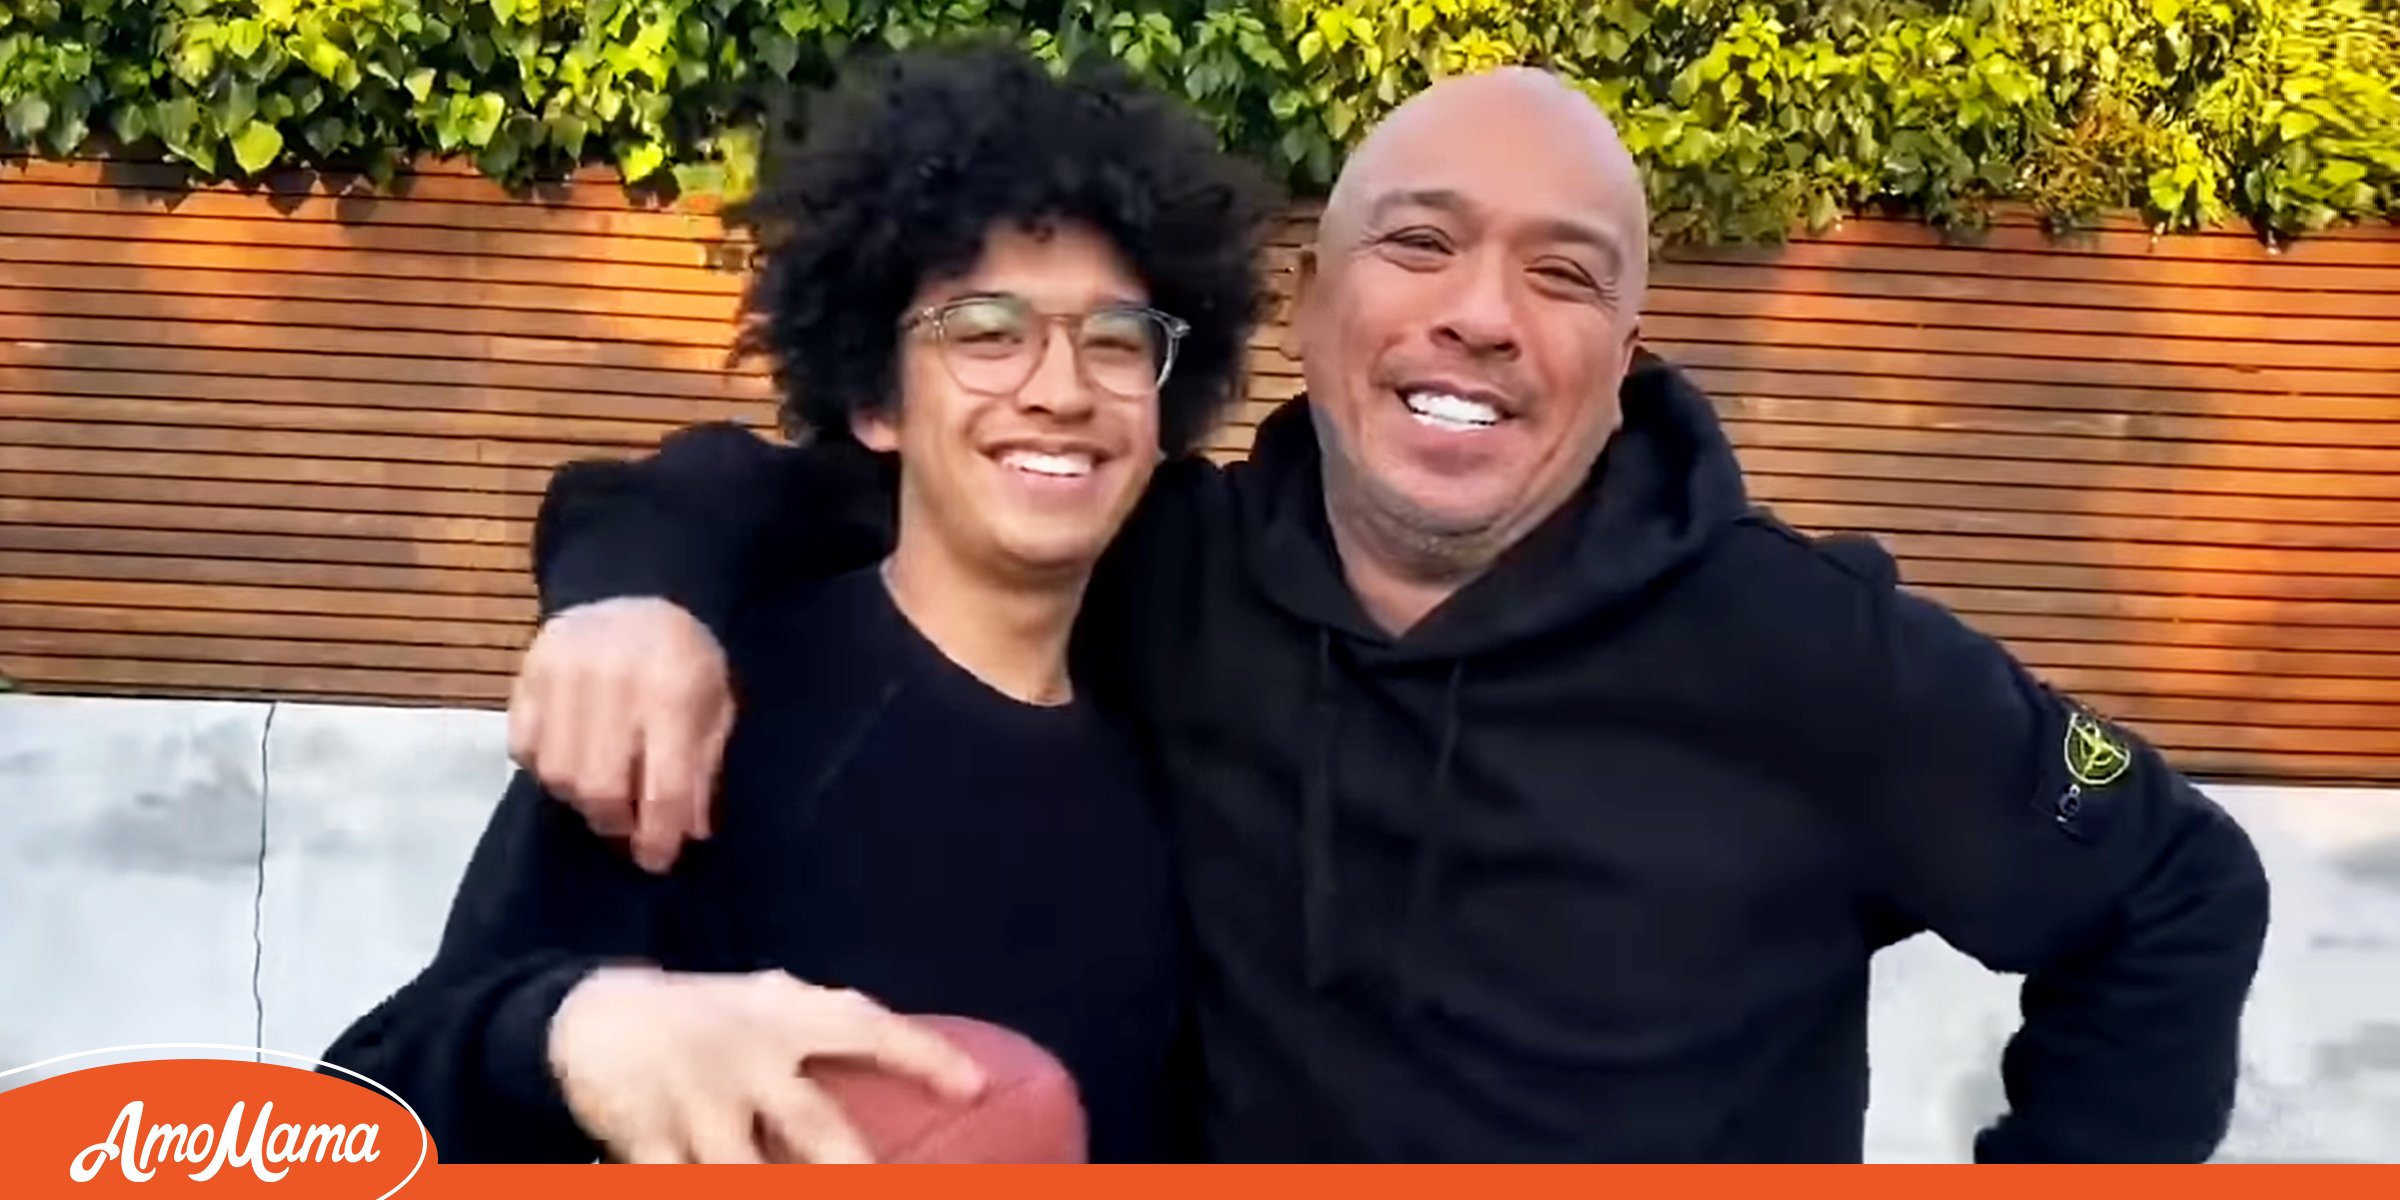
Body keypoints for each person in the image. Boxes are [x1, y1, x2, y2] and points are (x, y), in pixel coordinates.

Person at [509, 66, 2272, 1162]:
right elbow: (810, 476)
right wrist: (634, 594)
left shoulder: (1813, 657)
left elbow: (2174, 888)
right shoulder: (1165, 565)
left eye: (1562, 273)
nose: (1482, 314)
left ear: (1626, 354)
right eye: (1420, 244)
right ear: (1312, 300)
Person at [320, 43, 1275, 1164]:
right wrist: (576, 1030)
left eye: (1115, 341)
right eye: (987, 333)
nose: (1062, 390)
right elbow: (369, 1099)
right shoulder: (709, 711)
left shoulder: (1177, 752)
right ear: (876, 400)